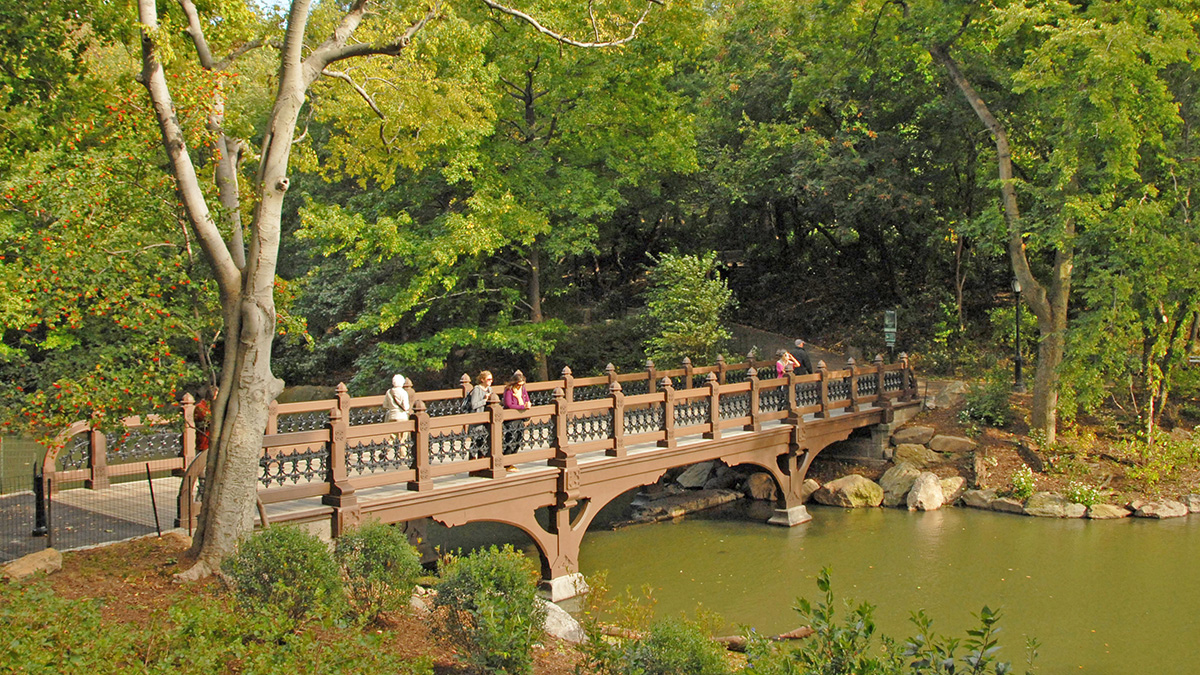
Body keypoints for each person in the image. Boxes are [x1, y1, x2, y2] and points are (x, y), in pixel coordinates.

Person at [501, 371, 531, 465]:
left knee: (519, 438)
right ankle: (506, 460)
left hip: (520, 418)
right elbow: (509, 404)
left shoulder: (523, 389)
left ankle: (512, 460)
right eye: (518, 385)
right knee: (511, 438)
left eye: (522, 384)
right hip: (511, 419)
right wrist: (522, 405)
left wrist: (525, 403)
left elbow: (527, 400)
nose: (520, 386)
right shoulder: (509, 390)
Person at [467, 371, 493, 458]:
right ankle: (473, 466)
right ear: (482, 380)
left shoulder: (490, 389)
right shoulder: (477, 389)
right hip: (477, 419)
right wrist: (484, 401)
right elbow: (474, 405)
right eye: (488, 379)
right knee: (475, 443)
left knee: (483, 443)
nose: (491, 381)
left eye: (491, 379)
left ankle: (482, 464)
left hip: (487, 419)